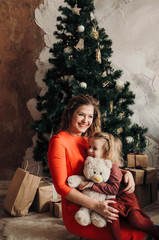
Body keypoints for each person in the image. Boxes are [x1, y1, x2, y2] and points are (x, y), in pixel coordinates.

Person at [47, 94, 147, 240]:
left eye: (90, 116)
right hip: (80, 210)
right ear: (70, 114)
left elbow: (103, 167)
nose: (86, 121)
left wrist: (126, 173)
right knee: (135, 236)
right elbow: (61, 187)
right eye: (81, 114)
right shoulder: (59, 142)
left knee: (142, 227)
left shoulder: (89, 140)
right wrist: (96, 205)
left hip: (104, 200)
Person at [78, 131, 159, 240]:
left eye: (94, 148)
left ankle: (155, 230)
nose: (89, 150)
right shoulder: (91, 164)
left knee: (137, 221)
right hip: (110, 198)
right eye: (89, 147)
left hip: (123, 197)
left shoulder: (114, 168)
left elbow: (114, 189)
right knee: (111, 217)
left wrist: (90, 185)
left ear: (106, 152)